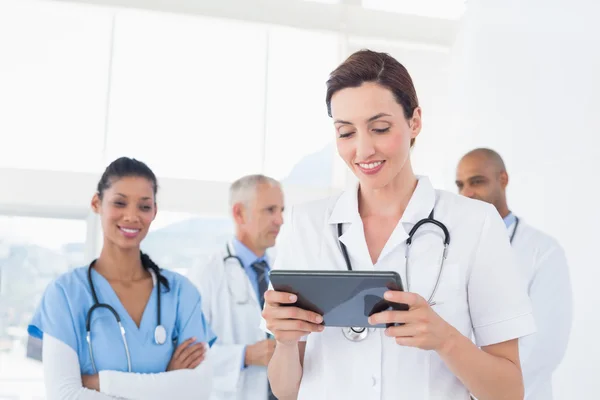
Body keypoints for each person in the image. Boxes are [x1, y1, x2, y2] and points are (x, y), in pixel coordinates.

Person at [261, 49, 536, 400]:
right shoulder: (306, 224)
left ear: (415, 122)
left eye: (379, 128)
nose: (363, 150)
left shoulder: (476, 225)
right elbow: (286, 391)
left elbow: (509, 391)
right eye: (346, 133)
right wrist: (285, 343)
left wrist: (445, 339)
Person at [27, 157, 217, 400]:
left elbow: (198, 389)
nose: (131, 216)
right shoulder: (65, 294)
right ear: (97, 203)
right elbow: (64, 395)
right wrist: (167, 384)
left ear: (154, 212)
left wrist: (99, 383)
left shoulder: (181, 293)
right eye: (120, 203)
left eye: (144, 206)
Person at [456, 148, 573, 400]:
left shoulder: (543, 251)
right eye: (460, 185)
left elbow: (544, 346)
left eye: (477, 181)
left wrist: (485, 383)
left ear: (503, 179)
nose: (467, 193)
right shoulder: (452, 247)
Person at [188, 175, 284, 400]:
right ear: (239, 213)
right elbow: (188, 352)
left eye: (281, 210)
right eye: (270, 210)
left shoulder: (284, 267)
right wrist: (245, 355)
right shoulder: (208, 271)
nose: (280, 220)